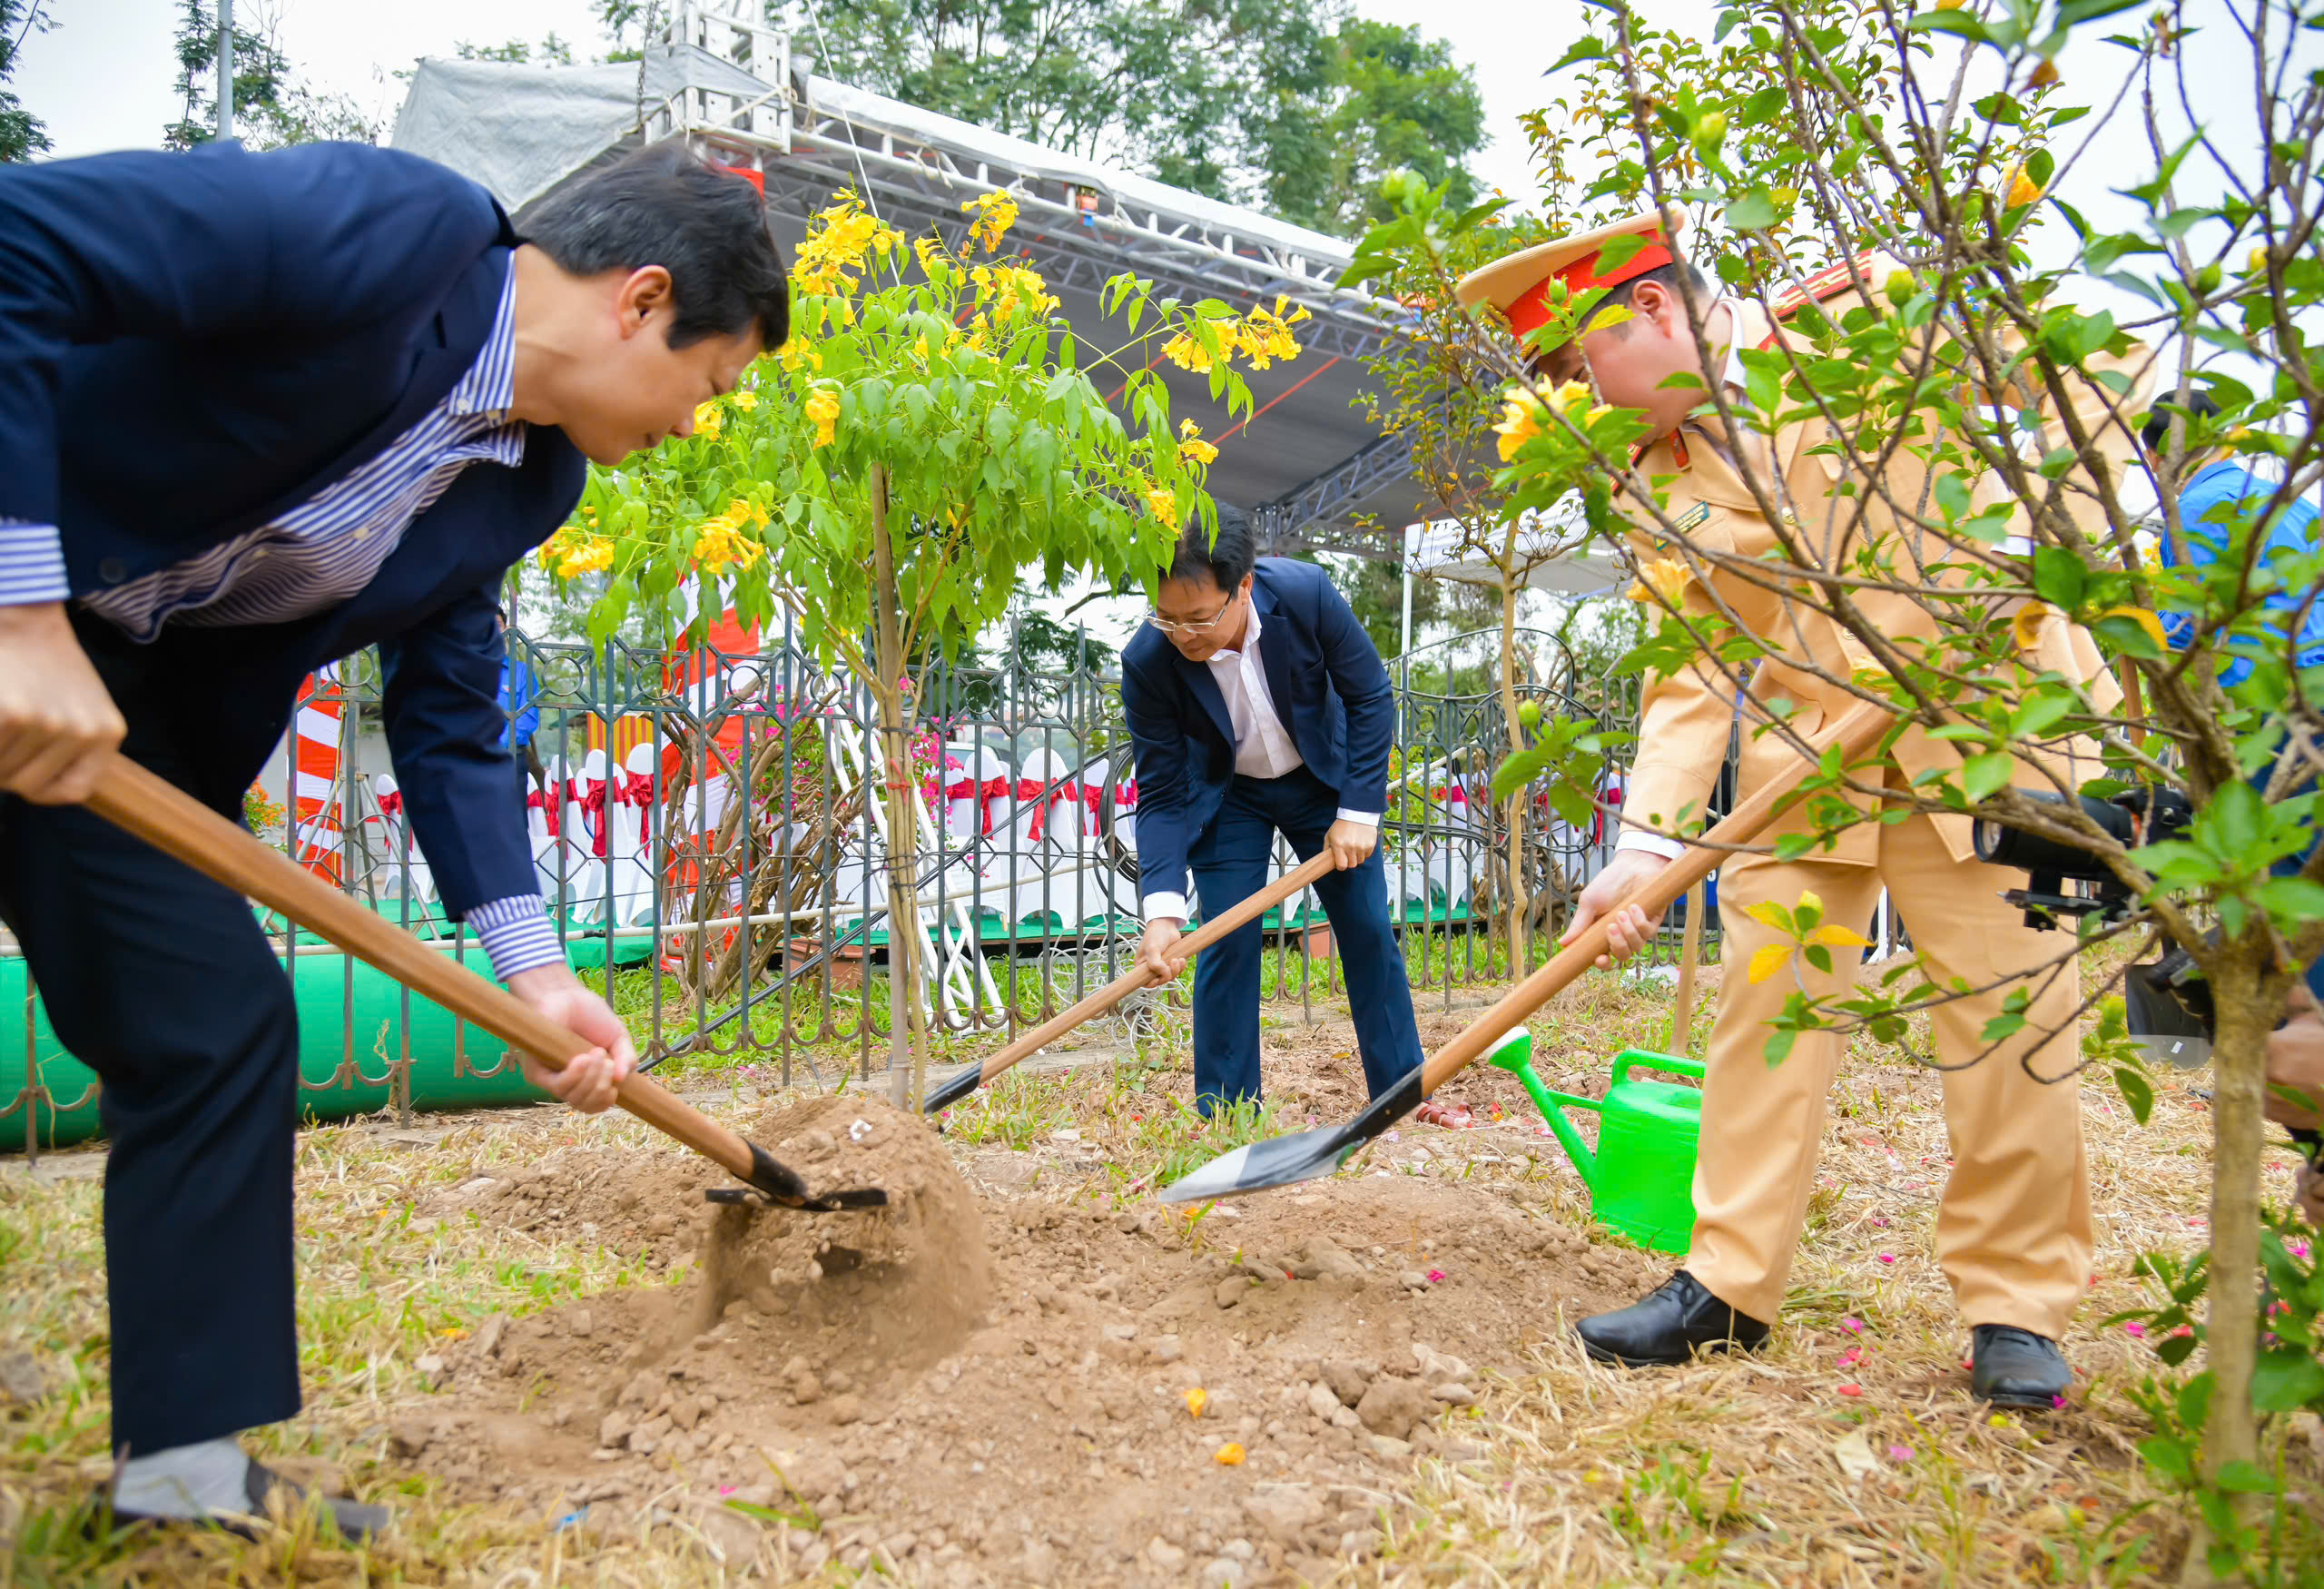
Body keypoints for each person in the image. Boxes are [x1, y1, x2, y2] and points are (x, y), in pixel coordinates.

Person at [0, 139, 787, 1535]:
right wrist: (18, 607)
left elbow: (449, 713)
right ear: (642, 298)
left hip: (104, 733)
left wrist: (535, 974)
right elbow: (17, 240)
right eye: (711, 382)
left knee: (218, 1025)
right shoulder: (384, 236)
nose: (696, 421)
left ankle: (178, 1478)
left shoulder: (528, 481)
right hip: (27, 618)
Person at [1456, 211, 2149, 1406]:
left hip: (1987, 734)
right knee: (1762, 1010)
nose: (1575, 400)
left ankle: (2015, 1308)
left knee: (2009, 1029)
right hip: (1810, 763)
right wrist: (1643, 847)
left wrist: (2049, 544)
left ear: (1657, 312)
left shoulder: (1860, 328)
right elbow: (1691, 665)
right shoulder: (1653, 481)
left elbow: (2092, 381)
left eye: (1578, 368)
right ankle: (1727, 1282)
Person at [1123, 509, 1424, 1113]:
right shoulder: (1149, 661)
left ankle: (1401, 1096)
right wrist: (1160, 910)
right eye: (1168, 617)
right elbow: (1159, 791)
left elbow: (1369, 696)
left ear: (1244, 587)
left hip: (1322, 783)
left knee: (1366, 929)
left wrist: (1359, 811)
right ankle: (1228, 1111)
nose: (1184, 634)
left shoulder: (1307, 595)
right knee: (1226, 936)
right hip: (1228, 794)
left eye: (1200, 617)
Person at [2141, 393, 2324, 1222]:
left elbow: (2168, 638)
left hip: (2276, 737)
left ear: (2156, 459)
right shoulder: (2291, 504)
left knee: (2292, 951)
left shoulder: (2198, 508)